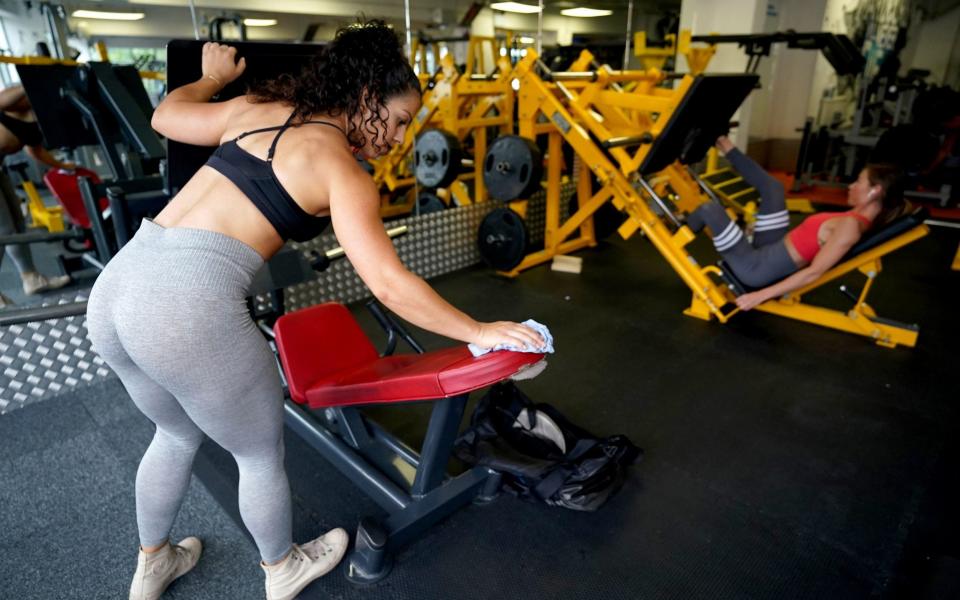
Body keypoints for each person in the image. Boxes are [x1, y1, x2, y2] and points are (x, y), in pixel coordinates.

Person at [84, 20, 545, 600]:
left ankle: (153, 563)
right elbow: (389, 284)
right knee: (257, 452)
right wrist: (480, 329)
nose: (401, 139)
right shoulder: (342, 171)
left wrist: (210, 79)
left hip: (116, 288)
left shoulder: (256, 106)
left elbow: (165, 117)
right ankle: (282, 568)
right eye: (399, 121)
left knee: (174, 434)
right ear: (365, 98)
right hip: (183, 306)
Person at [688, 135, 906, 311]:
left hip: (756, 268)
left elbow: (814, 272)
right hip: (771, 247)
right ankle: (724, 142)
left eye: (858, 181)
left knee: (710, 209)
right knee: (773, 189)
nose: (851, 186)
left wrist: (757, 296)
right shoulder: (856, 216)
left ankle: (679, 228)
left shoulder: (850, 227)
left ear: (875, 191)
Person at [0, 84, 76, 307]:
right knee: (4, 231)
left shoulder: (38, 113)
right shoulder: (13, 105)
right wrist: (31, 79)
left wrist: (63, 165)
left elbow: (35, 150)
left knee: (18, 224)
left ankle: (31, 278)